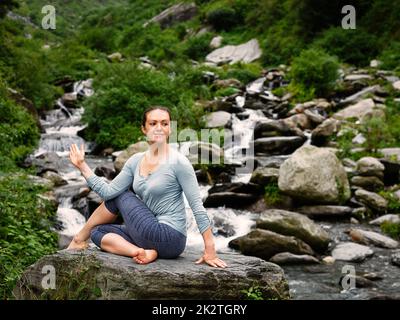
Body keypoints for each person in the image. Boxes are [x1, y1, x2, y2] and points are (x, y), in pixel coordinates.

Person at [67, 106, 227, 268]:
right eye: (153, 123)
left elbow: (197, 206)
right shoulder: (135, 161)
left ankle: (78, 239)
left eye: (164, 124)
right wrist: (82, 166)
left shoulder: (179, 163)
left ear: (170, 129)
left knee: (121, 195)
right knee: (98, 232)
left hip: (170, 237)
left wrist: (210, 248)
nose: (159, 128)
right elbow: (107, 192)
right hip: (147, 232)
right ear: (144, 129)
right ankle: (140, 252)